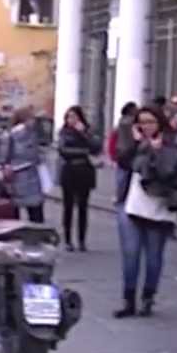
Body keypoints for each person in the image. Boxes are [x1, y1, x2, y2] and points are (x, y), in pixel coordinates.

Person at [113, 105, 177, 318]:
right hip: (132, 204)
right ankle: (128, 300)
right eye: (142, 122)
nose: (146, 126)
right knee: (130, 254)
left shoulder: (175, 143)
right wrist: (137, 144)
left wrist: (156, 152)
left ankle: (148, 297)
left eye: (150, 122)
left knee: (154, 256)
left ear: (160, 122)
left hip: (159, 206)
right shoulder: (138, 141)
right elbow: (124, 163)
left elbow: (170, 173)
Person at [57, 105, 101, 252]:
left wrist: (84, 133)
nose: (72, 120)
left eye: (74, 117)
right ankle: (68, 240)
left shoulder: (87, 131)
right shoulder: (64, 132)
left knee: (83, 207)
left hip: (85, 171)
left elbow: (96, 148)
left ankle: (82, 240)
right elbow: (63, 151)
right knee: (68, 207)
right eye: (69, 117)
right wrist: (84, 152)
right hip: (69, 171)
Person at [5, 105, 46, 223]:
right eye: (31, 118)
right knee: (20, 213)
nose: (33, 121)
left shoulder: (32, 133)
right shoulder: (15, 134)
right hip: (19, 177)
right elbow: (7, 155)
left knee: (34, 212)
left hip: (30, 177)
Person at [108, 102, 139, 204]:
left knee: (122, 177)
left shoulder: (121, 122)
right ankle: (121, 197)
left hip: (122, 152)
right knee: (125, 177)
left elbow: (113, 138)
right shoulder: (130, 122)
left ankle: (119, 196)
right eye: (135, 108)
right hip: (128, 152)